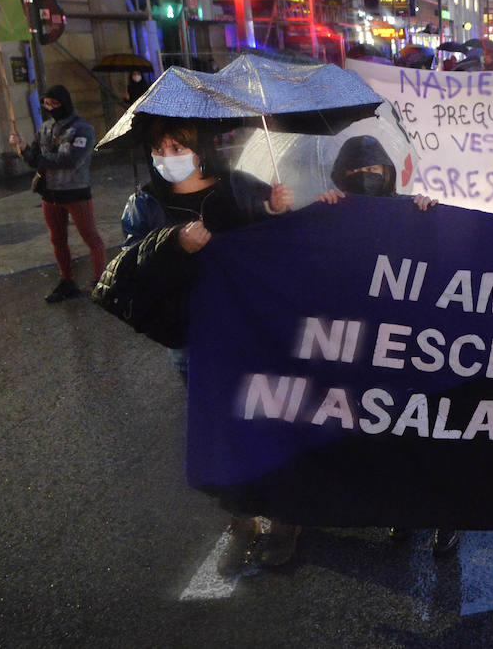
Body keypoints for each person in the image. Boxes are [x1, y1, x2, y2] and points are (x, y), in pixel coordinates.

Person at [94, 116, 296, 575]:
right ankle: (242, 520)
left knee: (271, 420)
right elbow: (131, 269)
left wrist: (278, 212)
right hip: (194, 339)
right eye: (159, 149)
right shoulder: (145, 204)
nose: (168, 157)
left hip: (254, 332)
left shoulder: (241, 187)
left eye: (177, 146)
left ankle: (286, 519)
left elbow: (281, 250)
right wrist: (173, 246)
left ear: (199, 147)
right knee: (221, 431)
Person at [314, 137, 457, 554]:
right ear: (340, 176)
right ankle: (402, 512)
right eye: (355, 173)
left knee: (430, 435)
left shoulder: (412, 211)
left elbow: (445, 271)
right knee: (388, 437)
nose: (365, 178)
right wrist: (317, 213)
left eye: (373, 170)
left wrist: (432, 220)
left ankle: (446, 516)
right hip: (367, 351)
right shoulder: (334, 213)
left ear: (389, 172)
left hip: (416, 348)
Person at [9, 85, 107, 303]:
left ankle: (102, 281)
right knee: (57, 239)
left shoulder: (82, 128)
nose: (51, 108)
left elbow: (69, 160)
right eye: (47, 104)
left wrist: (37, 159)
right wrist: (23, 147)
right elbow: (34, 155)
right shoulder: (45, 128)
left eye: (55, 103)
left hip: (75, 191)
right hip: (50, 194)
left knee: (91, 237)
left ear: (65, 102)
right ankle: (67, 281)